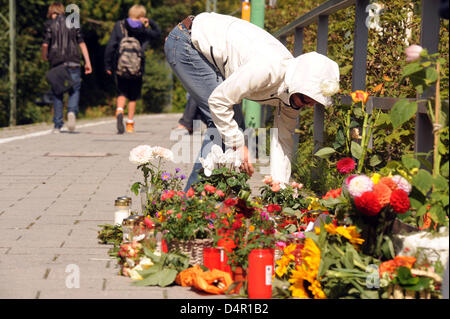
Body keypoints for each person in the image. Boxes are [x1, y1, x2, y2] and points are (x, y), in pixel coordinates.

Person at [164, 13, 340, 186]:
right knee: (222, 126)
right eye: (305, 99)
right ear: (297, 85)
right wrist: (239, 146)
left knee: (231, 129)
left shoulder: (294, 95)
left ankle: (218, 203)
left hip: (206, 51)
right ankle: (193, 204)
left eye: (313, 103)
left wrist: (280, 187)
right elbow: (218, 102)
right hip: (187, 42)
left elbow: (283, 140)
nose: (307, 105)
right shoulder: (267, 69)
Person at [104, 4, 161, 134]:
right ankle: (130, 124)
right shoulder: (143, 28)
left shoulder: (119, 25)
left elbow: (111, 46)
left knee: (121, 92)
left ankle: (119, 110)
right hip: (137, 68)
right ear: (141, 15)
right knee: (133, 96)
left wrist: (107, 64)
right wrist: (149, 22)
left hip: (120, 66)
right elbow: (157, 34)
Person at [42, 2, 92, 133]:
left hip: (57, 64)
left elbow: (45, 45)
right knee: (74, 89)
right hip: (74, 62)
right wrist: (88, 62)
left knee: (57, 93)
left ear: (51, 12)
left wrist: (44, 56)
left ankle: (58, 125)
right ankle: (71, 112)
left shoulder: (49, 25)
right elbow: (81, 43)